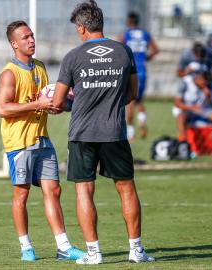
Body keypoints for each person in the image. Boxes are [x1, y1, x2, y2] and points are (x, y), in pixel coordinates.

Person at [52, 1, 154, 265]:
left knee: (84, 191)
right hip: (114, 132)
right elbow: (132, 93)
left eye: (77, 28)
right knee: (127, 189)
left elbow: (59, 102)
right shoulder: (124, 52)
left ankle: (94, 253)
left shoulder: (73, 57)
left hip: (82, 134)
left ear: (83, 27)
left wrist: (71, 103)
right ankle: (136, 250)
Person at [0, 20, 85, 262]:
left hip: (41, 139)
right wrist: (37, 104)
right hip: (19, 142)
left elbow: (44, 101)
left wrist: (56, 107)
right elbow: (3, 109)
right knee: (22, 194)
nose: (31, 40)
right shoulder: (9, 73)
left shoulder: (40, 67)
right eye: (25, 37)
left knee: (54, 190)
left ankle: (64, 247)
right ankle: (26, 247)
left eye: (32, 36)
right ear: (14, 44)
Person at [174, 71, 212, 157]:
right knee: (181, 117)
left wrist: (208, 96)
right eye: (203, 82)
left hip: (202, 110)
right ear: (197, 79)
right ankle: (184, 147)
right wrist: (192, 108)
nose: (204, 84)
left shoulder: (207, 87)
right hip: (187, 109)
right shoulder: (185, 83)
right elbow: (177, 103)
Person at [120, 11, 159, 141]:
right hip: (142, 70)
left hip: (131, 70)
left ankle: (130, 134)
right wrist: (145, 58)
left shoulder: (126, 35)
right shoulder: (145, 34)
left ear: (129, 21)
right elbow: (155, 50)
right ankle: (142, 123)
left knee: (130, 101)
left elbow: (118, 49)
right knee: (139, 100)